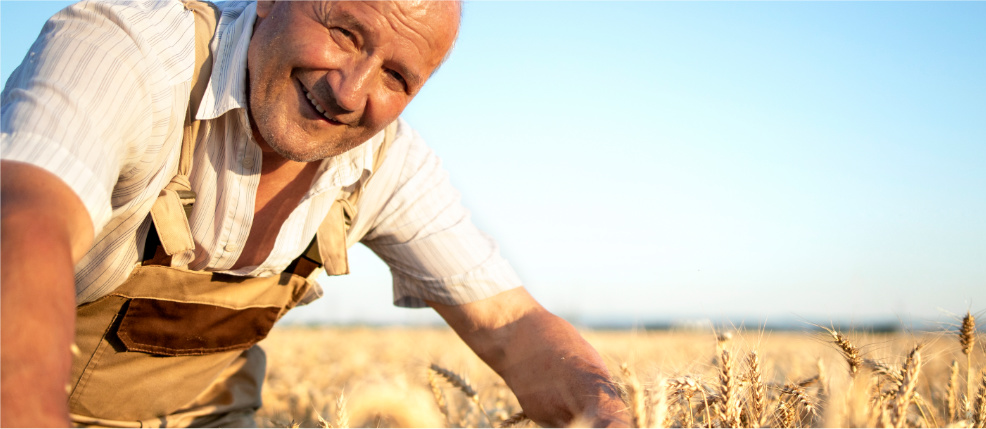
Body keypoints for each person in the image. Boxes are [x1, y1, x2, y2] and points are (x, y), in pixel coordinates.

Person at [0, 1, 629, 427]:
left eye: (397, 77)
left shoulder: (386, 163)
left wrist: (608, 413)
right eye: (345, 33)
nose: (350, 92)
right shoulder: (129, 54)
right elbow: (26, 226)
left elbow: (511, 325)